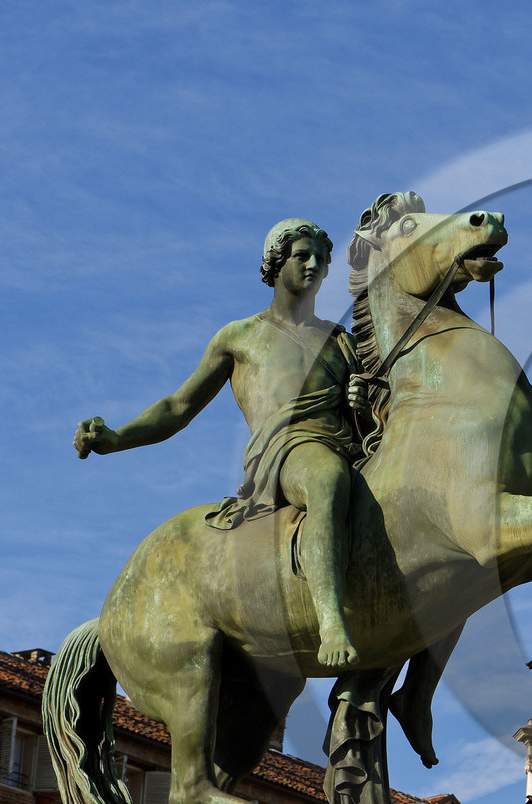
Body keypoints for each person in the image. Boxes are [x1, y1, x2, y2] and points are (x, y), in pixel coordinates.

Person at [74, 219, 365, 667]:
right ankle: (331, 622)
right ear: (275, 263)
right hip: (287, 451)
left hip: (348, 445)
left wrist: (359, 399)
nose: (314, 265)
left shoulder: (341, 340)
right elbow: (178, 406)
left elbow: (372, 408)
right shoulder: (240, 336)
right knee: (325, 478)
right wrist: (117, 438)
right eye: (302, 255)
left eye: (322, 259)